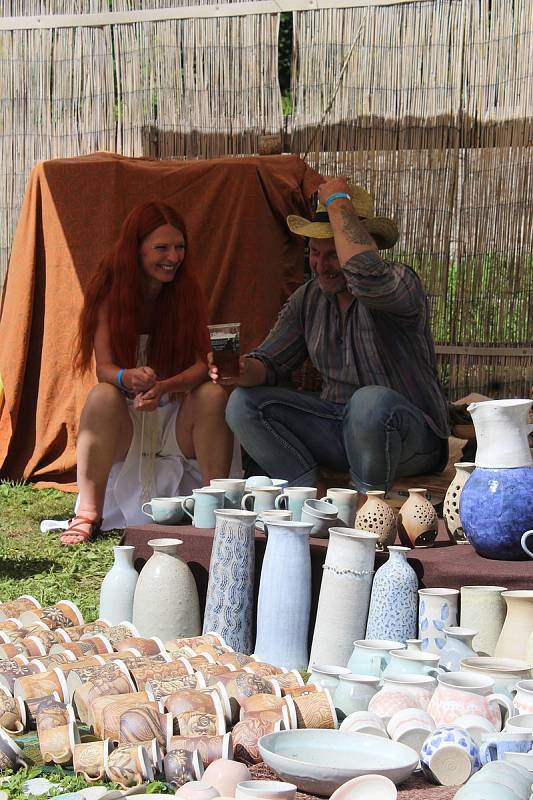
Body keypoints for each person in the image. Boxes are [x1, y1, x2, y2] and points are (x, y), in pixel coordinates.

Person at [209, 176, 450, 493]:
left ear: (366, 243)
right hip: (338, 430)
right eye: (314, 253)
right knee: (242, 404)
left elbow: (365, 275)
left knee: (369, 402)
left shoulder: (399, 282)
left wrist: (337, 199)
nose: (321, 266)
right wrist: (241, 371)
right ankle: (308, 496)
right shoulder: (307, 299)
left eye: (333, 253)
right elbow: (268, 363)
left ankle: (369, 504)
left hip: (413, 439)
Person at [62, 201, 234, 545]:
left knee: (214, 394)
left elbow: (204, 363)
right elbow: (103, 368)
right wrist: (128, 378)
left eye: (179, 247)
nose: (174, 256)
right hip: (128, 419)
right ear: (136, 249)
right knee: (101, 396)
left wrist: (166, 386)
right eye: (162, 248)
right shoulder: (109, 293)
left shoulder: (186, 293)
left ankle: (213, 510)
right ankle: (88, 514)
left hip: (175, 419)